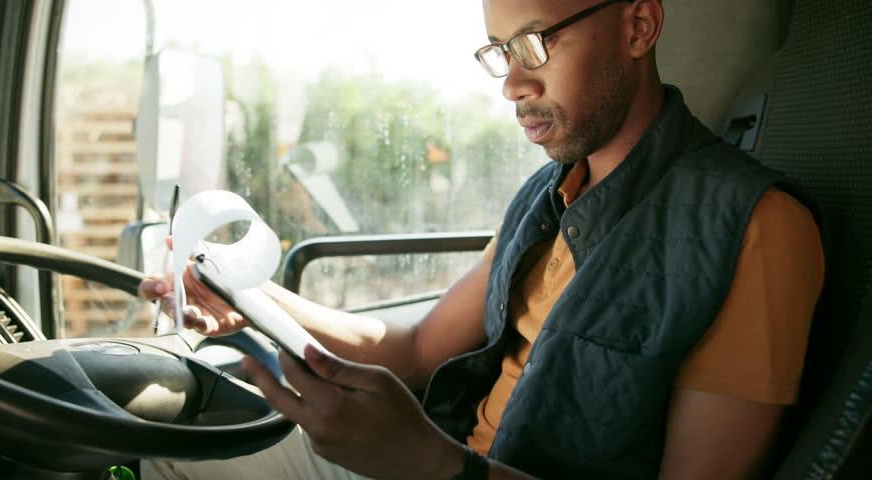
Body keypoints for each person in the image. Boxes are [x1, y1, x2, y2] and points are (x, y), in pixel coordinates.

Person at [139, 0, 825, 478]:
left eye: (534, 43)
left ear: (639, 26)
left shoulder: (756, 228)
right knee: (156, 452)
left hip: (443, 469)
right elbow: (411, 350)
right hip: (440, 459)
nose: (512, 85)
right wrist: (249, 296)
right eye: (499, 52)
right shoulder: (546, 195)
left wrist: (430, 464)